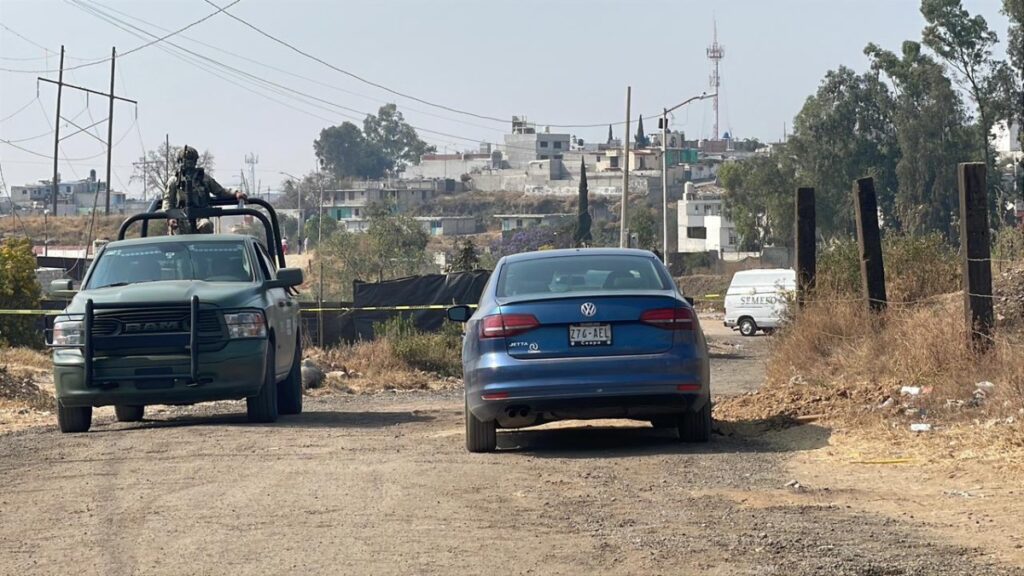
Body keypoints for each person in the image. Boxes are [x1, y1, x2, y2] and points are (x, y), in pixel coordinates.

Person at [162, 145, 246, 234]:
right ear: (180, 161)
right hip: (180, 218)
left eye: (191, 160)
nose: (189, 163)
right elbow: (167, 201)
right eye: (186, 160)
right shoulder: (174, 181)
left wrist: (235, 193)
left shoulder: (204, 179)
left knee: (206, 225)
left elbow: (220, 191)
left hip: (200, 216)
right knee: (176, 234)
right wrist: (170, 218)